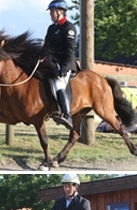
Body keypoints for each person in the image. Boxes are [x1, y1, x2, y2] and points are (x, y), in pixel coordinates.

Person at [41, 0, 76, 130]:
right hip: (51, 63)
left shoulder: (69, 28)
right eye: (50, 12)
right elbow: (46, 46)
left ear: (60, 12)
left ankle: (67, 115)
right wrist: (40, 57)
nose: (50, 14)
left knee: (58, 83)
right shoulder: (52, 28)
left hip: (65, 64)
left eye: (52, 12)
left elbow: (70, 51)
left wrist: (65, 68)